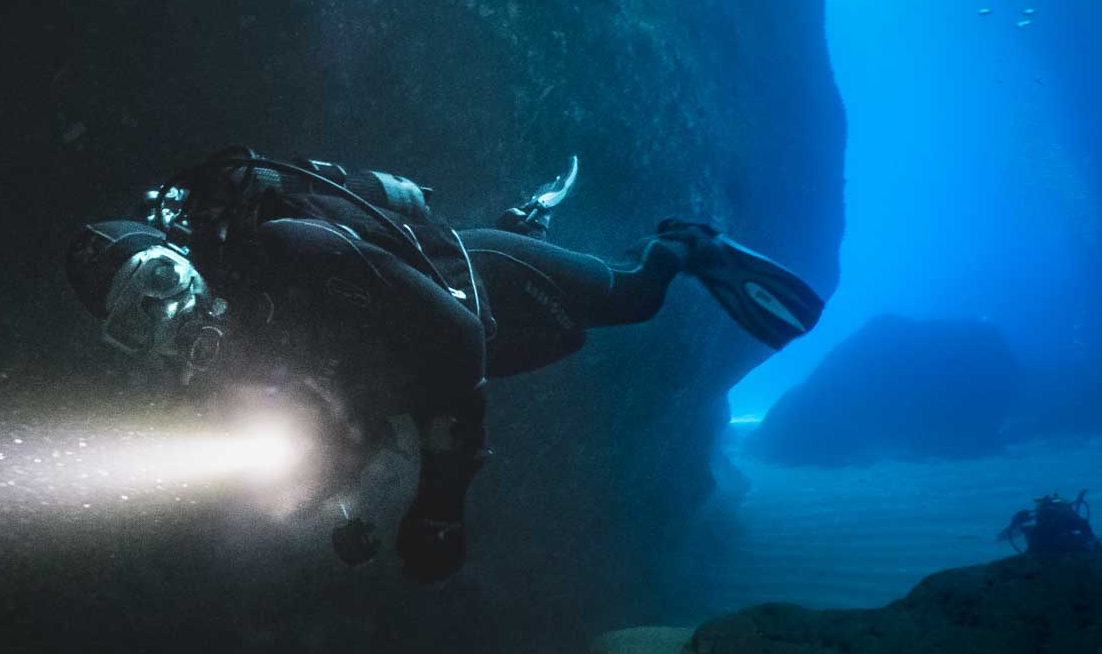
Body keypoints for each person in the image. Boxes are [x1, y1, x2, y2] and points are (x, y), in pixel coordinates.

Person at [67, 148, 825, 582]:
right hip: (428, 335)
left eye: (160, 279)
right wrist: (341, 508)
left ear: (180, 253)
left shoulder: (294, 251)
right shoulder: (209, 368)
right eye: (139, 317)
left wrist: (440, 499)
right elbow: (313, 428)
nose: (167, 310)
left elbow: (457, 351)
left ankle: (683, 244)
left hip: (481, 288)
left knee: (633, 301)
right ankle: (528, 219)